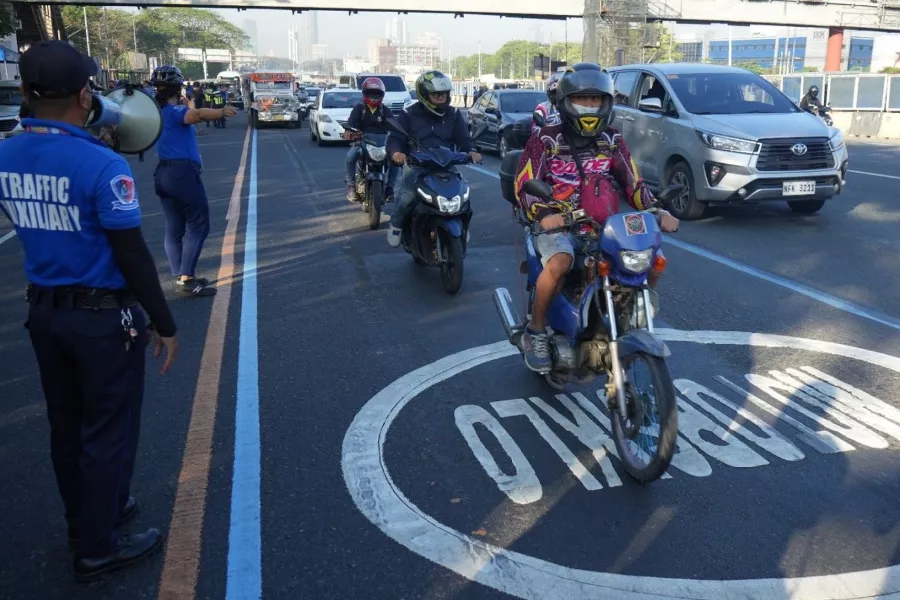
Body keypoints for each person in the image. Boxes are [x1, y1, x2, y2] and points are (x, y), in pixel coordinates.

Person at [0, 40, 179, 580]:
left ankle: (89, 517)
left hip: (45, 315)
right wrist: (164, 324)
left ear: (27, 93)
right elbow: (131, 253)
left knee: (66, 427)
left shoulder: (5, 154)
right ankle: (97, 547)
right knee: (108, 431)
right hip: (102, 321)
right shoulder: (102, 165)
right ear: (85, 95)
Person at [515, 64, 680, 373]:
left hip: (604, 225)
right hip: (560, 222)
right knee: (561, 261)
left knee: (652, 256)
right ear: (566, 102)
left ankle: (634, 312)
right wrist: (545, 213)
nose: (590, 108)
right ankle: (535, 331)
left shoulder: (612, 140)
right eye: (583, 101)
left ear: (606, 104)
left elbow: (633, 183)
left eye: (596, 102)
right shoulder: (546, 139)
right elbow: (525, 185)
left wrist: (657, 210)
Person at [151, 64, 236, 297]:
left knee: (174, 227)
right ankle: (187, 279)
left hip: (162, 173)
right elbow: (196, 115)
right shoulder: (175, 112)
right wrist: (220, 112)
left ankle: (182, 275)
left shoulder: (155, 113)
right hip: (182, 174)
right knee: (199, 224)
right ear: (177, 88)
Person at [385, 70, 481, 247]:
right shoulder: (409, 114)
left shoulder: (454, 114)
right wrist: (397, 152)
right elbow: (395, 138)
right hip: (417, 164)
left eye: (444, 94)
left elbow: (464, 140)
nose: (441, 97)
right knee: (408, 195)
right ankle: (396, 224)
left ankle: (463, 225)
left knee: (463, 194)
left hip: (446, 164)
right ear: (424, 94)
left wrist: (472, 151)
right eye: (436, 94)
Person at [343, 77, 399, 202]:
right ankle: (351, 186)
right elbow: (351, 123)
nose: (374, 96)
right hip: (362, 141)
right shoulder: (359, 109)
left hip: (382, 143)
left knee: (396, 160)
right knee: (350, 157)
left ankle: (390, 188)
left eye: (377, 93)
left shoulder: (385, 110)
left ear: (382, 94)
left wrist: (400, 133)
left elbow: (395, 124)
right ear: (364, 93)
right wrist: (348, 131)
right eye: (370, 93)